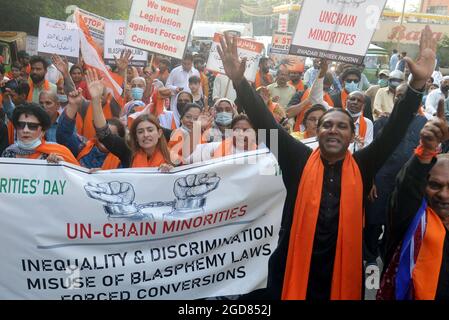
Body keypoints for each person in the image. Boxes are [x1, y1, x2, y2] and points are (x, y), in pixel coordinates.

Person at [217, 25, 435, 300]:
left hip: (341, 272)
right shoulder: (298, 159)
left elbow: (393, 131)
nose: (333, 130)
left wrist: (416, 86)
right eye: (326, 125)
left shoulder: (363, 165)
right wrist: (239, 82)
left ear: (352, 135)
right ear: (317, 132)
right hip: (294, 267)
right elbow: (265, 124)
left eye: (341, 126)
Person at [377, 101, 449, 300]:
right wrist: (426, 152)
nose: (444, 194)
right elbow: (407, 189)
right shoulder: (410, 219)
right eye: (435, 185)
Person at [364, 83, 427, 267]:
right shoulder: (382, 122)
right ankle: (369, 259)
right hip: (381, 181)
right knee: (373, 222)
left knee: (398, 224)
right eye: (398, 96)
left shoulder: (425, 124)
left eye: (405, 96)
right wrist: (370, 180)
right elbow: (370, 153)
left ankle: (389, 258)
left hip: (406, 185)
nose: (401, 99)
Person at [87, 69, 172, 171]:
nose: (146, 135)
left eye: (150, 130)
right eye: (140, 132)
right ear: (135, 137)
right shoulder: (128, 152)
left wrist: (172, 171)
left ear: (159, 133)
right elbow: (104, 134)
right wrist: (96, 100)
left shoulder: (173, 154)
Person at [57, 88, 125, 170]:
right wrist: (73, 106)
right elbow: (64, 135)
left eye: (111, 136)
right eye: (103, 134)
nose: (106, 138)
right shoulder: (83, 146)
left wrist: (104, 175)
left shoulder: (124, 159)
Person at [1, 103, 78, 165]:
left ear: (43, 131)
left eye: (32, 126)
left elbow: (79, 179)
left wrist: (61, 166)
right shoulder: (8, 153)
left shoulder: (57, 153)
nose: (25, 130)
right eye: (21, 125)